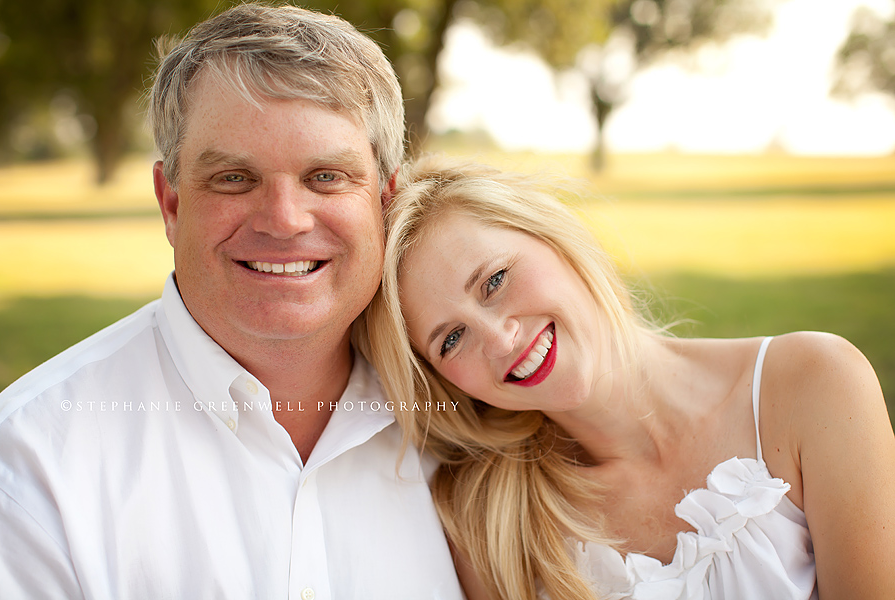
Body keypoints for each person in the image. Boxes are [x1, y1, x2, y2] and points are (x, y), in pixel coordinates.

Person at [0, 4, 463, 598]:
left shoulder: (474, 421)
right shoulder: (29, 465)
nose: (285, 221)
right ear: (171, 204)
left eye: (325, 176)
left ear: (385, 200)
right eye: (234, 178)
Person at [356, 154, 895, 600]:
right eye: (450, 339)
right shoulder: (490, 524)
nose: (500, 340)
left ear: (553, 237)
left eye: (495, 280)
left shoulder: (814, 385)